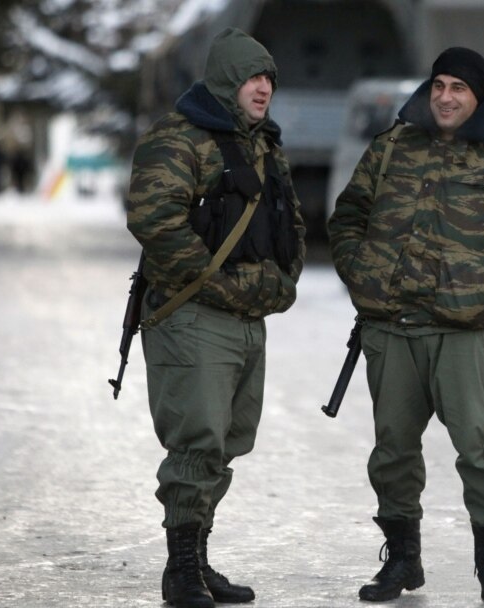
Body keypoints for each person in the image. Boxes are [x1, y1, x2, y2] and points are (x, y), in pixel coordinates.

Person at [327, 47, 484, 606]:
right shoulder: (390, 149)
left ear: (479, 97)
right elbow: (348, 217)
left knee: (481, 453)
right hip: (393, 330)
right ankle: (402, 560)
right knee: (393, 453)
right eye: (439, 85)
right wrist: (365, 278)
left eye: (459, 87)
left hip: (464, 333)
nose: (446, 97)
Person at [125, 28, 305, 608]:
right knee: (196, 440)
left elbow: (289, 222)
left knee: (227, 441)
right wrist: (216, 281)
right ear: (226, 80)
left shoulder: (263, 144)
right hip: (194, 317)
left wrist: (284, 279)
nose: (263, 88)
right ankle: (180, 571)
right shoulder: (179, 139)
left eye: (269, 79)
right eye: (253, 77)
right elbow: (155, 219)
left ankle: (198, 559)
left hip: (247, 317)